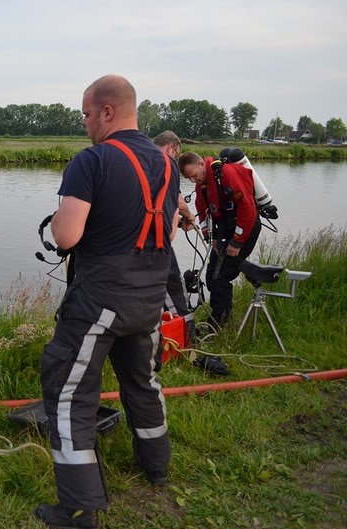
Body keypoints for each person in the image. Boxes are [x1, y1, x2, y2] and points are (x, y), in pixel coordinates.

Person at [36, 75, 179, 529]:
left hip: (99, 300)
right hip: (150, 298)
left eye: (85, 113)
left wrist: (63, 217)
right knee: (143, 381)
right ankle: (156, 467)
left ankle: (79, 508)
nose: (83, 122)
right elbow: (169, 232)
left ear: (107, 112)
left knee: (67, 390)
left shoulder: (90, 161)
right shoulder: (167, 163)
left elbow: (67, 236)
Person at [177, 151, 260, 332]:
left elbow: (248, 210)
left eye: (194, 176)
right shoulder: (203, 184)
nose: (193, 181)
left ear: (201, 163)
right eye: (189, 179)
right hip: (224, 231)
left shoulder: (227, 174)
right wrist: (210, 238)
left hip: (246, 229)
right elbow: (203, 209)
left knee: (221, 276)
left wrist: (237, 242)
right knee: (211, 275)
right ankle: (219, 316)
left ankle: (219, 323)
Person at [153, 131, 196, 336]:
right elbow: (177, 200)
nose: (176, 159)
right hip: (157, 242)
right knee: (173, 290)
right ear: (172, 148)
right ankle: (185, 339)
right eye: (177, 154)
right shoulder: (165, 163)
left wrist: (176, 219)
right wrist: (188, 216)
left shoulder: (141, 161)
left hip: (133, 241)